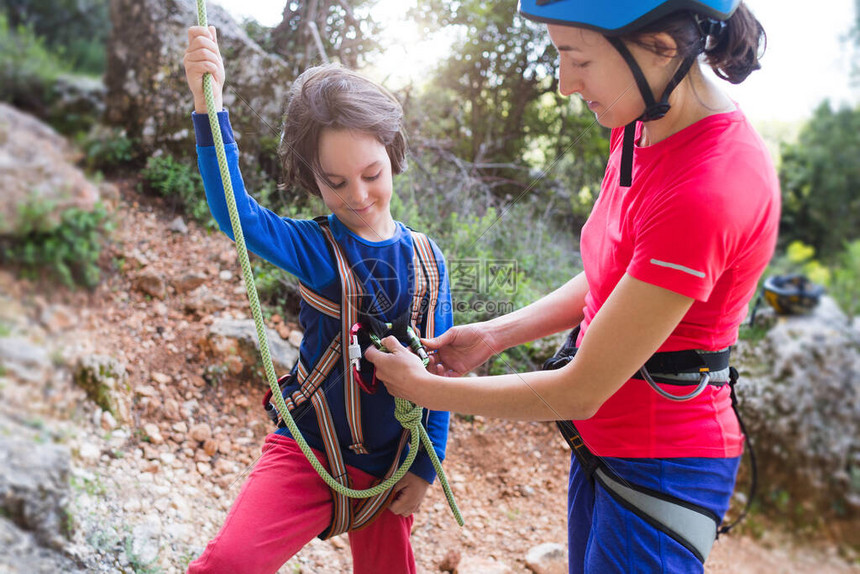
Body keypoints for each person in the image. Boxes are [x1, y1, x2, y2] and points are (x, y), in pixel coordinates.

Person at [367, 1, 779, 572]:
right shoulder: (643, 121)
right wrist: (495, 334)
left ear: (660, 45)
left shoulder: (710, 185)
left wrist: (424, 390)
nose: (563, 83)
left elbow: (582, 388)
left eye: (575, 56)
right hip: (608, 447)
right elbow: (617, 273)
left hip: (662, 464)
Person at [182, 25, 453, 574]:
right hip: (310, 452)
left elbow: (439, 370)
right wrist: (207, 106)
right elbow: (238, 215)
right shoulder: (314, 247)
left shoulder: (429, 261)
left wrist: (426, 468)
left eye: (371, 174)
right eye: (335, 182)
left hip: (393, 469)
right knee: (229, 564)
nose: (358, 195)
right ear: (313, 181)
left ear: (392, 154)